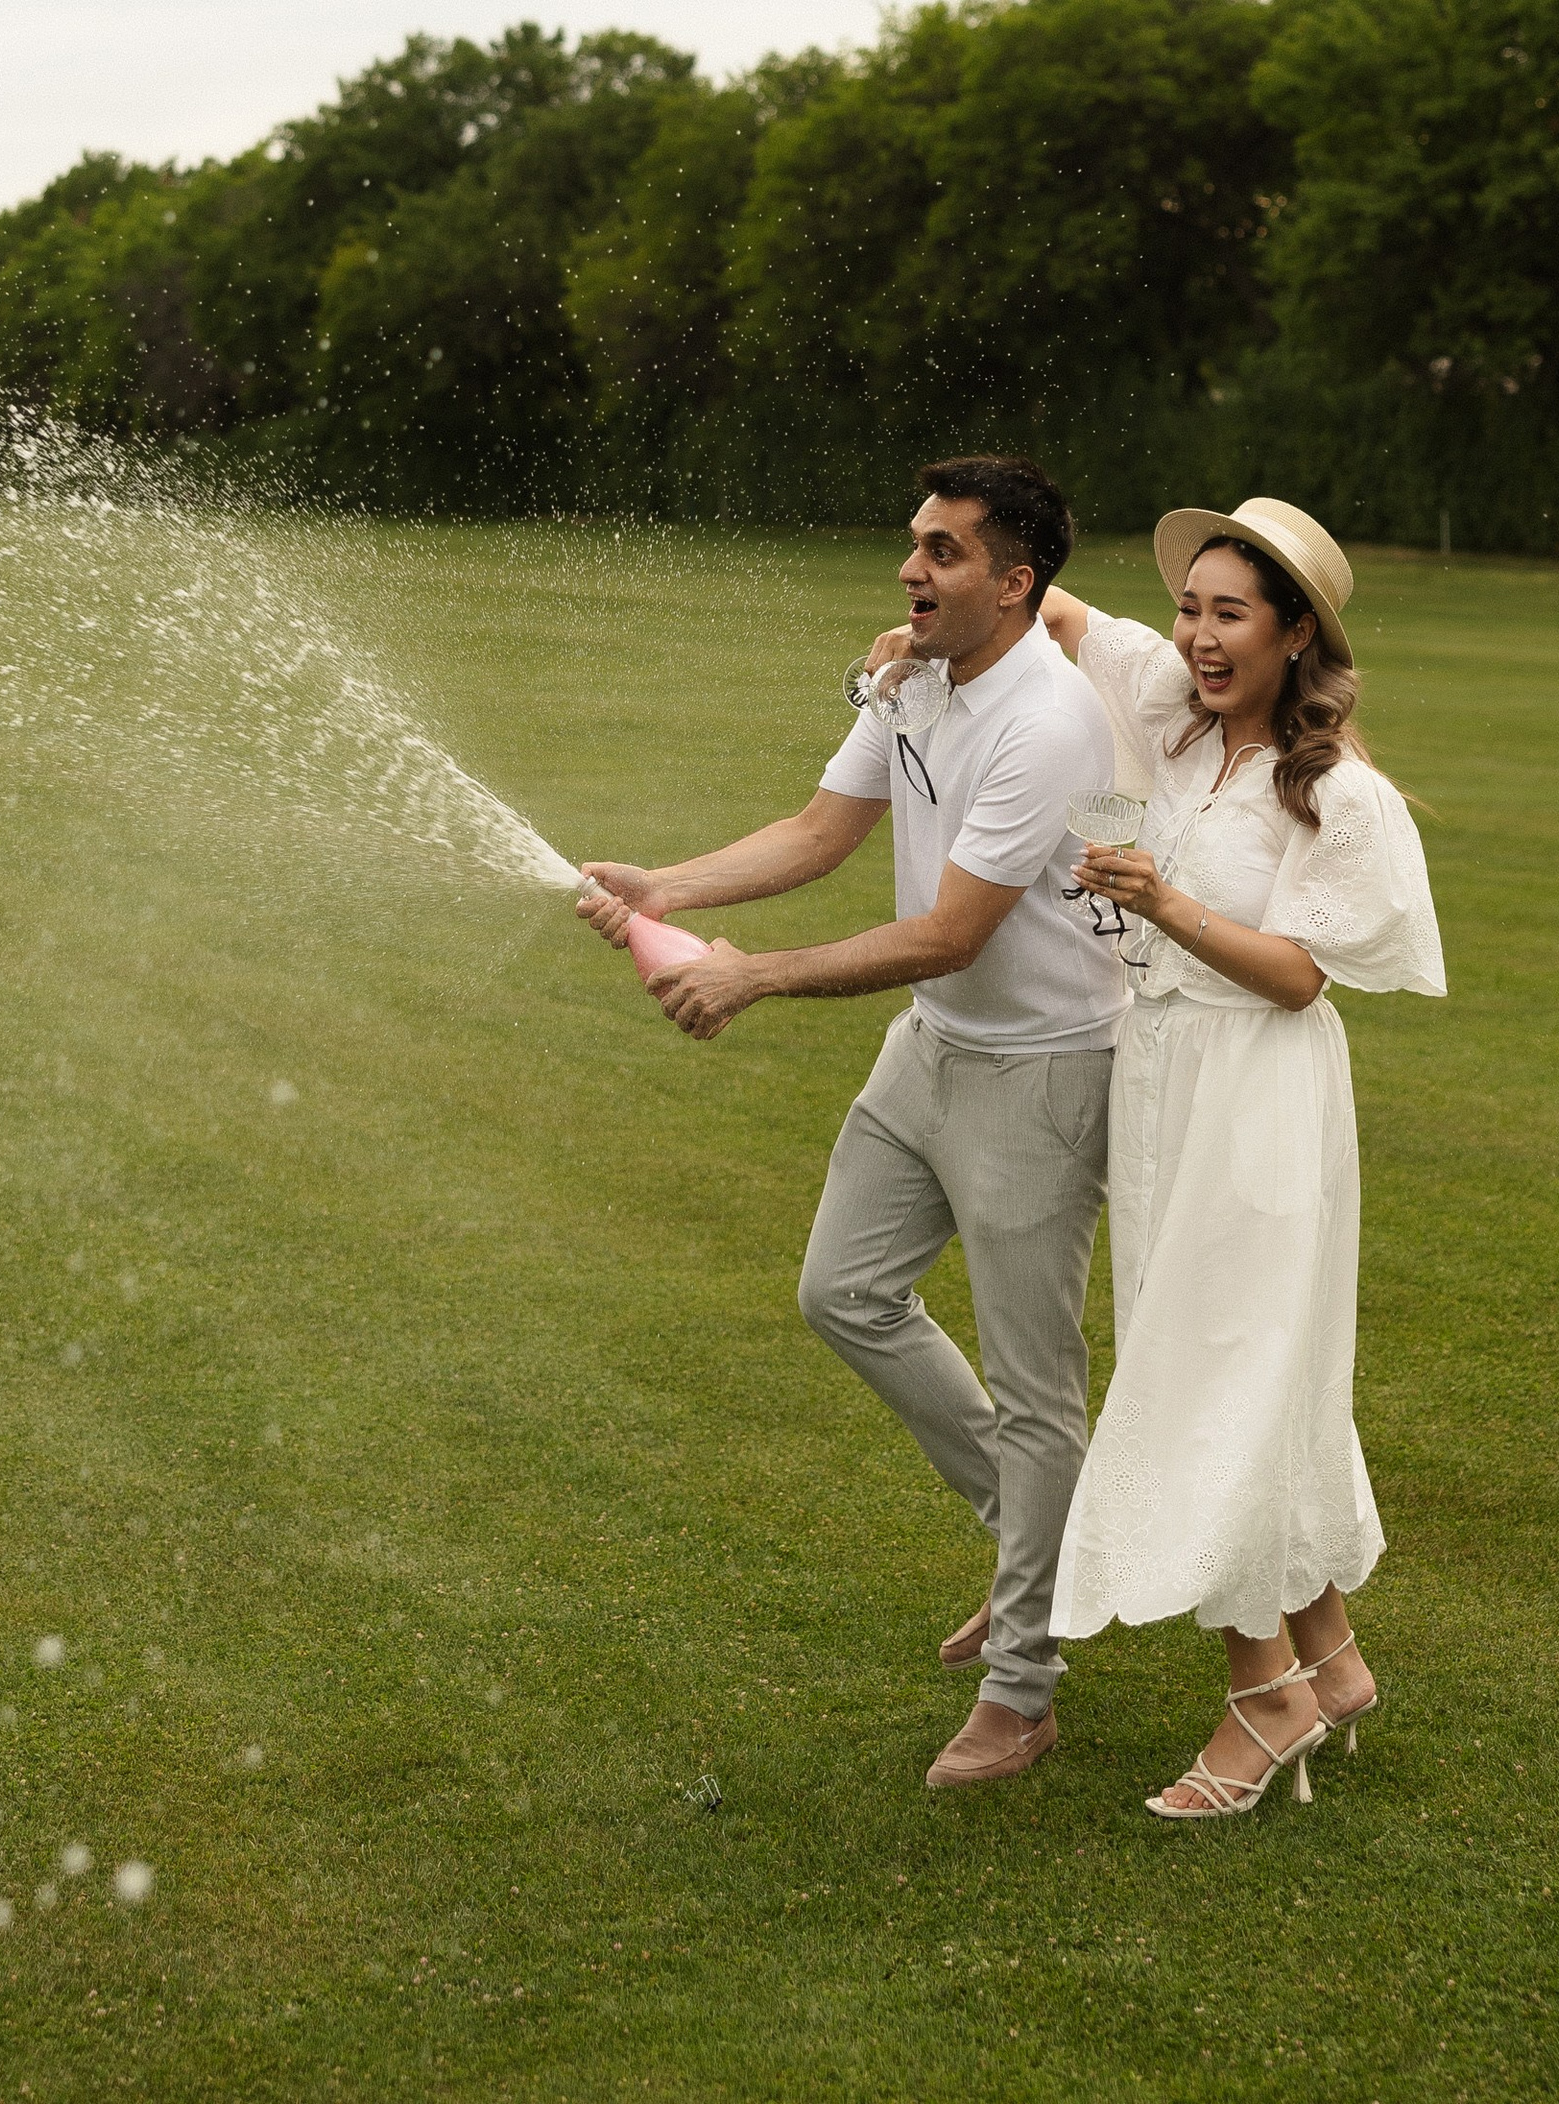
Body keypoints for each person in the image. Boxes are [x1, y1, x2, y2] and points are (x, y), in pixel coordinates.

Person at [575, 455, 1121, 1791]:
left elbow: (947, 931)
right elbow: (824, 830)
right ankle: (1031, 1545)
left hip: (1046, 1073)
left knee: (1039, 1389)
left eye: (941, 552)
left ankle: (1024, 1690)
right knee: (844, 1290)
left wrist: (748, 974)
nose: (909, 572)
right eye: (913, 546)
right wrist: (669, 880)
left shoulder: (1051, 722)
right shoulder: (919, 678)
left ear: (1015, 579)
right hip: (932, 1051)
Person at [1038, 497, 1444, 1822]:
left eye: (1231, 615)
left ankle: (1266, 1696)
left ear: (1293, 634)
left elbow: (1294, 978)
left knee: (1213, 1377)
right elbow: (1045, 607)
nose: (1200, 637)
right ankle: (1329, 1658)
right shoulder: (1175, 717)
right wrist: (904, 637)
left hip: (1260, 1098)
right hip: (1162, 1083)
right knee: (1215, 1358)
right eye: (1191, 609)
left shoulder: (1337, 795)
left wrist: (1165, 900)